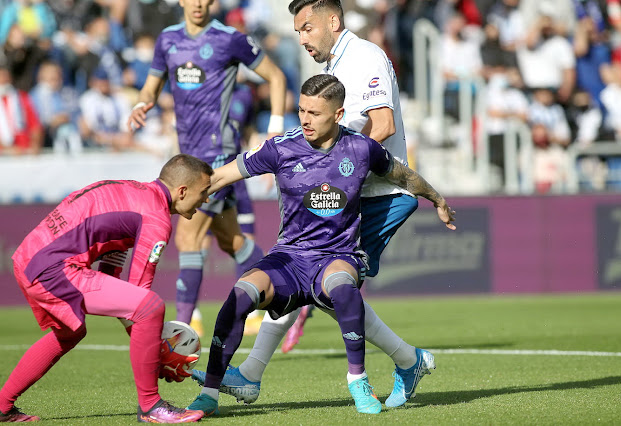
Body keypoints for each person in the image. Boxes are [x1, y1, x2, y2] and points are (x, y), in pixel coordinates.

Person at [205, 0, 443, 409]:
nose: (302, 39)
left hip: (378, 195)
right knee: (306, 272)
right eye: (297, 32)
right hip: (353, 191)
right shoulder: (333, 68)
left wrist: (335, 166)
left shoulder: (364, 57)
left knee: (330, 287)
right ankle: (252, 373)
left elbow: (381, 125)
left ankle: (406, 360)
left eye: (307, 28)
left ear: (333, 21)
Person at [0, 154, 213, 423]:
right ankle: (151, 407)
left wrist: (149, 344)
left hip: (30, 259)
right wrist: (159, 351)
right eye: (204, 192)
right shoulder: (156, 217)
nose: (206, 200)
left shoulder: (135, 193)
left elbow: (110, 273)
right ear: (182, 191)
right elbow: (140, 295)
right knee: (150, 306)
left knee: (69, 334)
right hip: (52, 267)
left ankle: (2, 406)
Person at [127, 0, 287, 328]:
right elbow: (152, 87)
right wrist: (143, 102)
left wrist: (275, 126)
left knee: (188, 237)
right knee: (232, 241)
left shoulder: (229, 38)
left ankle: (185, 327)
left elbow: (276, 76)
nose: (199, 3)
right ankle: (287, 287)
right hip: (186, 155)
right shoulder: (167, 40)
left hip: (217, 155)